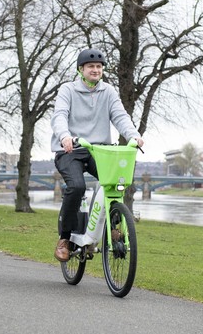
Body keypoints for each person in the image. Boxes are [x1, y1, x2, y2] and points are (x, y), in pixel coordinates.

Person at [50, 48, 144, 262]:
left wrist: (134, 136)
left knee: (115, 183)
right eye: (91, 66)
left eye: (99, 67)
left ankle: (113, 227)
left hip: (99, 150)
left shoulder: (108, 91)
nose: (95, 70)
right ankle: (65, 238)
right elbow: (60, 116)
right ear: (81, 69)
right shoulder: (68, 90)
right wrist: (65, 136)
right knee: (77, 187)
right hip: (71, 149)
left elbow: (120, 116)